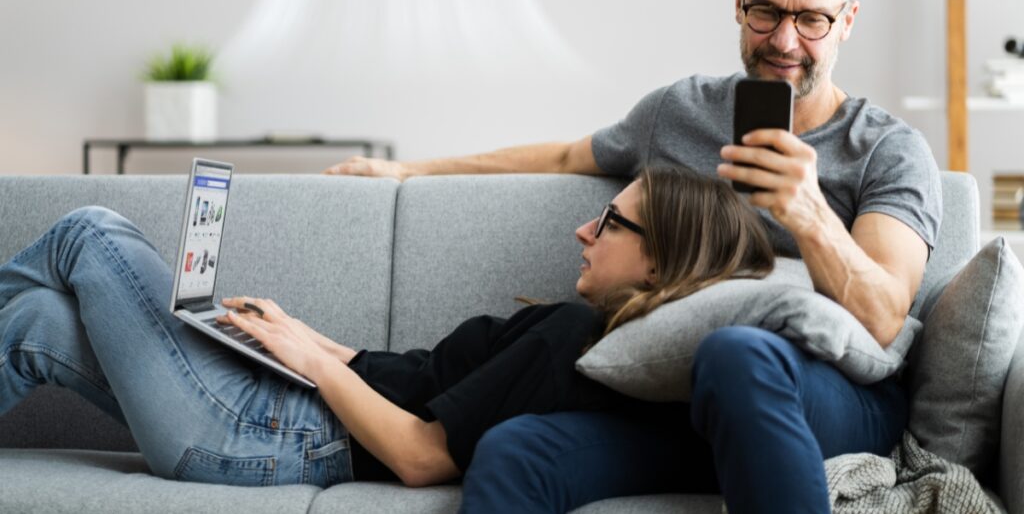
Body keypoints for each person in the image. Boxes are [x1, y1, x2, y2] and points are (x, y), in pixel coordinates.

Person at [325, 0, 943, 512]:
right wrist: (408, 170)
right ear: (738, 3)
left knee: (736, 354)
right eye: (766, 12)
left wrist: (808, 213)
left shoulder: (887, 151)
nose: (785, 40)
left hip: (824, 399)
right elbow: (569, 155)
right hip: (674, 405)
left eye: (812, 19)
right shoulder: (680, 112)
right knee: (516, 449)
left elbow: (884, 316)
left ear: (847, 20)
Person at [0, 166, 771, 489]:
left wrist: (310, 359)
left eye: (608, 220)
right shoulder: (581, 332)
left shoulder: (574, 337)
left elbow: (420, 455)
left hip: (269, 434)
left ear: (659, 259)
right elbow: (418, 378)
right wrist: (308, 338)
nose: (583, 229)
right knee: (37, 321)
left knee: (91, 229)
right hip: (279, 408)